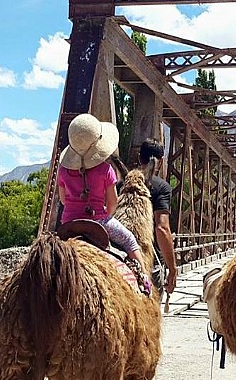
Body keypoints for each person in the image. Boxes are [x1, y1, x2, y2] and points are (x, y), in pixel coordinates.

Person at [57, 113, 146, 271]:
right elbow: (113, 203)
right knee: (130, 241)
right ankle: (144, 281)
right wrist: (106, 214)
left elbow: (63, 200)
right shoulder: (106, 170)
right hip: (99, 221)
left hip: (69, 224)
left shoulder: (63, 171)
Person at [138, 138, 177, 296]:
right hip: (149, 260)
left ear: (139, 158)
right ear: (161, 162)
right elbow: (162, 228)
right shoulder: (161, 188)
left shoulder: (121, 185)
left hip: (121, 256)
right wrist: (172, 268)